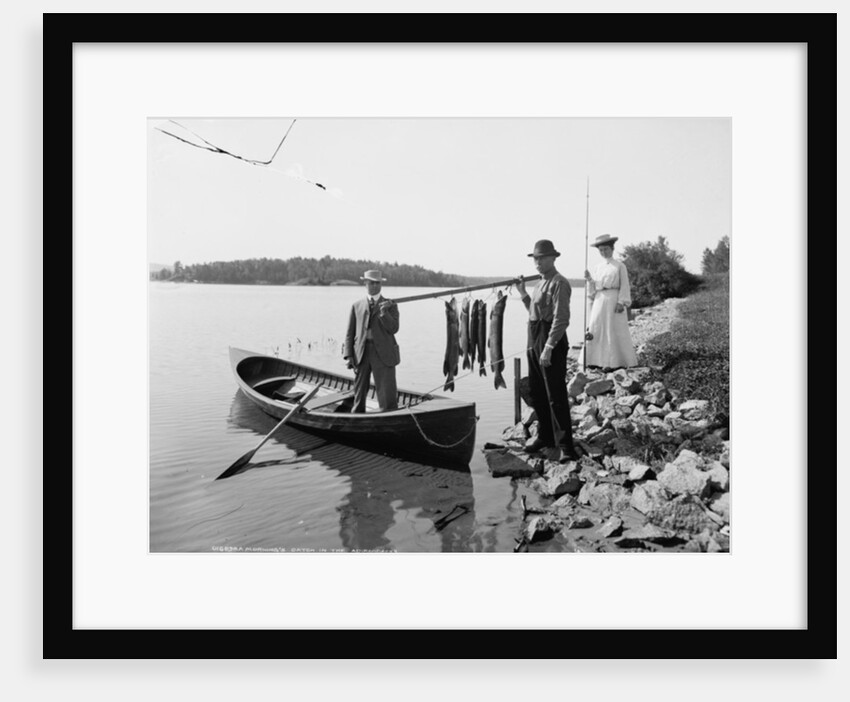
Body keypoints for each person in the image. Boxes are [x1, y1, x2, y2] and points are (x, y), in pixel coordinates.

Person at [515, 240, 579, 462]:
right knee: (537, 391)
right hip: (534, 339)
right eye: (535, 258)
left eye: (542, 258)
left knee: (555, 395)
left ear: (553, 258)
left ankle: (566, 446)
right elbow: (533, 312)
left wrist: (549, 347)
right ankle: (545, 436)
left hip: (551, 341)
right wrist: (523, 293)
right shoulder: (539, 284)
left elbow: (561, 319)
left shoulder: (559, 282)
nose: (538, 262)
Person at [579, 233, 638, 371]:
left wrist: (621, 302)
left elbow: (625, 285)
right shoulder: (597, 267)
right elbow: (593, 289)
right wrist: (589, 280)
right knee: (596, 327)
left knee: (614, 329)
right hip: (600, 299)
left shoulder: (619, 266)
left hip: (614, 298)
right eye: (601, 250)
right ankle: (594, 360)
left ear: (612, 249)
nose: (604, 252)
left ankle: (617, 361)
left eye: (606, 249)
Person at [344, 270, 400, 412]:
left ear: (381, 284)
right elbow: (350, 333)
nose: (375, 286)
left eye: (377, 283)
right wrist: (349, 355)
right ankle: (357, 416)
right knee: (359, 389)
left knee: (387, 391)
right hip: (361, 353)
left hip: (384, 353)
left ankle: (388, 414)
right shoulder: (356, 306)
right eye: (371, 283)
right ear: (365, 284)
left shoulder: (391, 305)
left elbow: (393, 328)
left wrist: (384, 313)